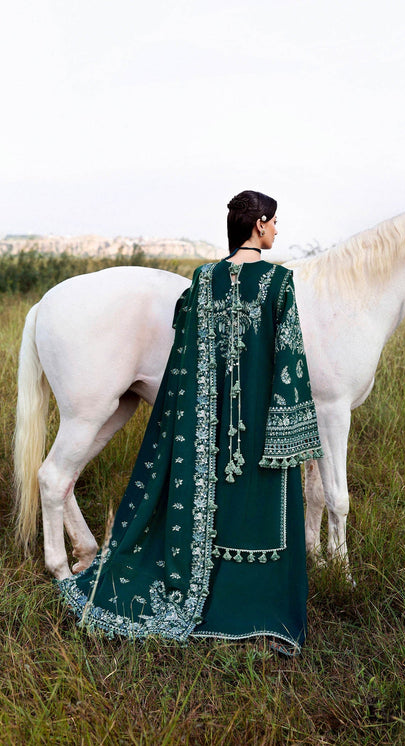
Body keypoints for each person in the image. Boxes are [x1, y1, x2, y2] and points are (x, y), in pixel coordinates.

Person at [58, 190, 323, 654]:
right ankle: (259, 610)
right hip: (263, 423)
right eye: (275, 221)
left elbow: (185, 355)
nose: (278, 230)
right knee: (262, 512)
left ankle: (203, 589)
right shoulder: (280, 281)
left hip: (206, 429)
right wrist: (291, 431)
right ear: (259, 224)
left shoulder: (203, 279)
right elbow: (290, 360)